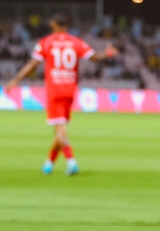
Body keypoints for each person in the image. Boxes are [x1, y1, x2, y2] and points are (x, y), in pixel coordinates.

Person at [4, 14, 116, 175]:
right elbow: (94, 57)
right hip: (70, 89)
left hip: (55, 89)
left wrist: (15, 80)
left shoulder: (46, 42)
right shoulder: (75, 41)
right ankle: (49, 164)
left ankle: (72, 163)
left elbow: (32, 64)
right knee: (59, 128)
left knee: (60, 129)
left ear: (54, 25)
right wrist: (108, 53)